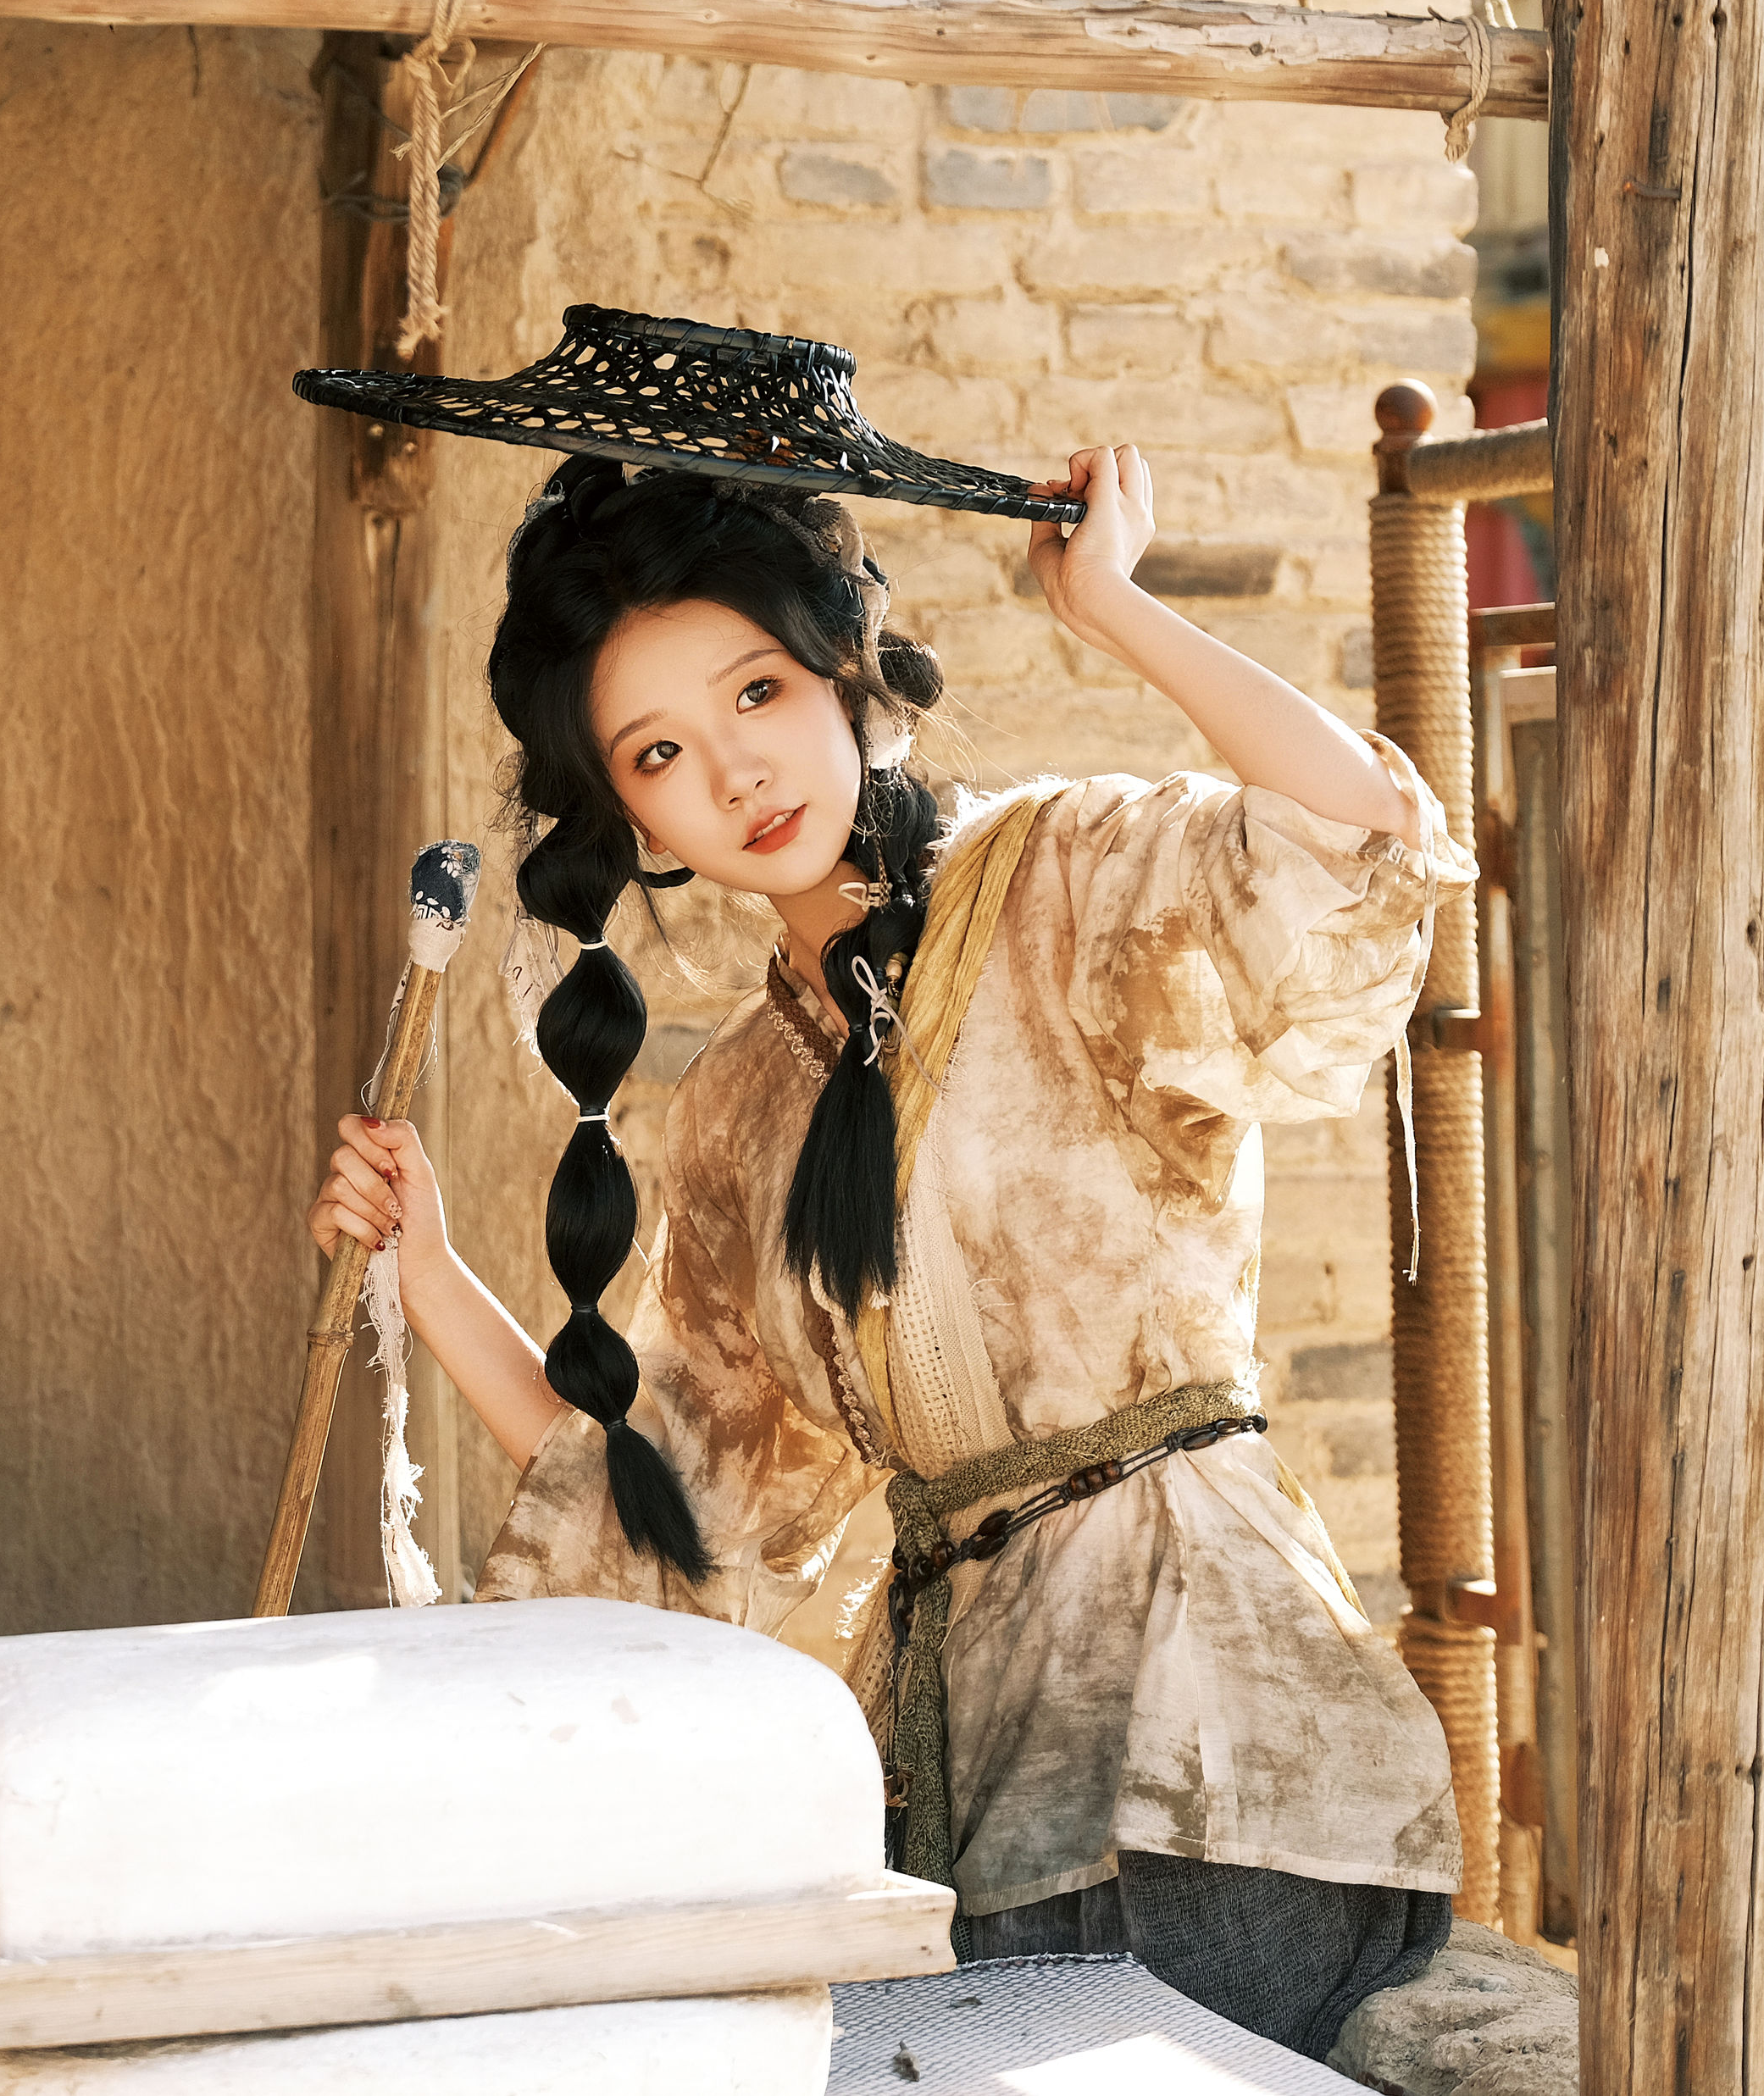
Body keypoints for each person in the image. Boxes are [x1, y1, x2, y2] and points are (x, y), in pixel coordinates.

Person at [308, 444, 1548, 2071]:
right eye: (664, 750)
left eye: (756, 689)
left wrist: (1110, 606)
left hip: (1224, 1745)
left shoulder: (1062, 876)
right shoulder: (739, 1110)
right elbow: (686, 1515)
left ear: (839, 668)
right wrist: (428, 1272)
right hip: (970, 1772)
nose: (738, 770)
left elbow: (1358, 840)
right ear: (632, 815)